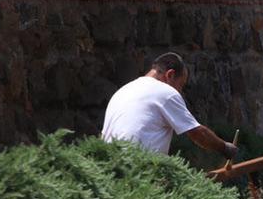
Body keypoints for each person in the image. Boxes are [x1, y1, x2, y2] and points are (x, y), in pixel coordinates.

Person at [101, 52, 238, 159]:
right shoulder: (166, 92)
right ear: (170, 75)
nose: (179, 91)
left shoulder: (123, 91)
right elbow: (197, 133)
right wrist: (224, 147)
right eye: (181, 85)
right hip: (138, 170)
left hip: (108, 167)